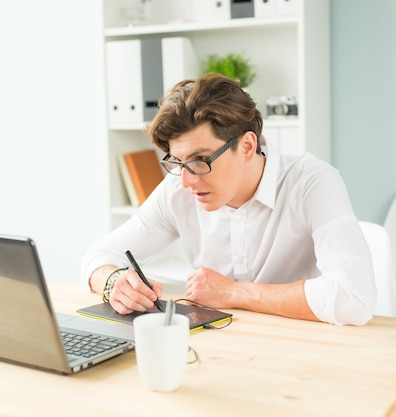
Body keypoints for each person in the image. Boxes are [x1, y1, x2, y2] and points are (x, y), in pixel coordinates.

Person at [81, 73, 376, 326]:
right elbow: (99, 256)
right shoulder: (178, 188)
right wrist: (114, 283)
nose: (186, 180)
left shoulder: (312, 182)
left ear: (247, 146)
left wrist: (234, 292)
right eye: (178, 162)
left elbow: (353, 298)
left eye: (200, 160)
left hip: (302, 347)